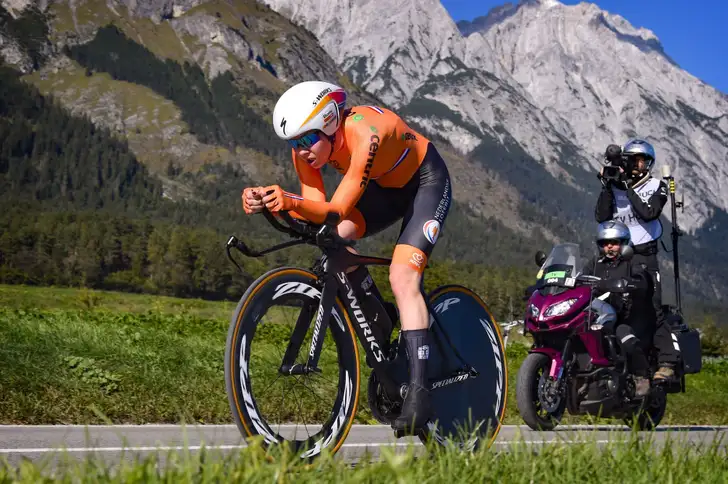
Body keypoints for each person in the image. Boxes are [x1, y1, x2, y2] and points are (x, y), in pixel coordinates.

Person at [241, 80, 452, 434]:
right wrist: (269, 202)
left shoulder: (365, 132)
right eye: (294, 143)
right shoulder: (306, 151)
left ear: (329, 123)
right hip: (382, 191)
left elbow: (336, 208)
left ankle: (420, 392)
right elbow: (316, 210)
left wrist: (289, 200)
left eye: (307, 140)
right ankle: (380, 317)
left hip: (426, 183)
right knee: (331, 239)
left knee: (402, 276)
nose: (301, 151)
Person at [595, 138, 679, 381]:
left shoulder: (657, 186)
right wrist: (607, 186)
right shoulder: (617, 186)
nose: (637, 164)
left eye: (641, 160)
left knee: (652, 307)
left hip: (644, 255)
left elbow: (648, 212)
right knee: (607, 303)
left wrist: (628, 187)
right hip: (617, 254)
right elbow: (601, 216)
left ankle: (667, 361)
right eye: (632, 160)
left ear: (649, 163)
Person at [582, 221, 654, 397]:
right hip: (599, 314)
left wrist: (630, 283)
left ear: (624, 243)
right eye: (605, 243)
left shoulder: (632, 261)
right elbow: (580, 278)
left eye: (614, 242)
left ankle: (642, 376)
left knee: (625, 337)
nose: (609, 247)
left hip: (625, 316)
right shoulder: (595, 263)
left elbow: (643, 281)